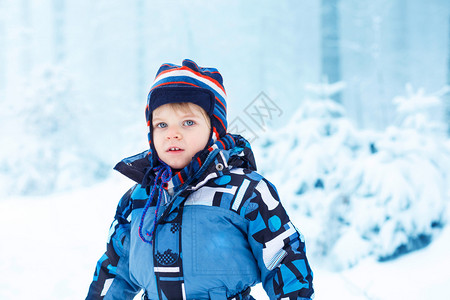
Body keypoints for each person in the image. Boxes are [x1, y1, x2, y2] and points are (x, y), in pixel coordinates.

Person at [86, 59, 314, 300]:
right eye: (162, 124)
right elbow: (116, 271)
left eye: (188, 122)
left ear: (214, 130)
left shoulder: (245, 193)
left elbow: (283, 259)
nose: (173, 133)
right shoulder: (140, 199)